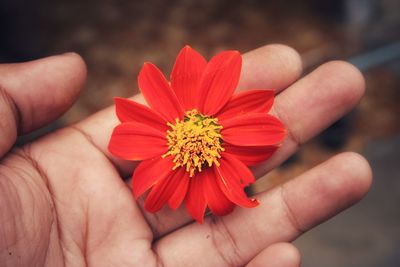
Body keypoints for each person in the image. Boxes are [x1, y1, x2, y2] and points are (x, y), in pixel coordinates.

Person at [0, 45, 372, 267]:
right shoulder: (167, 157)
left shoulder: (215, 145)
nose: (194, 141)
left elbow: (256, 147)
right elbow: (151, 175)